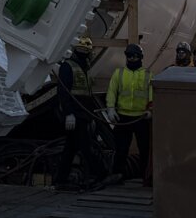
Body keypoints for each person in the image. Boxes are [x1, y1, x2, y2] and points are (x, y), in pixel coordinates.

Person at [54, 37, 100, 188]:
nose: (86, 54)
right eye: (84, 51)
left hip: (83, 114)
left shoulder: (83, 68)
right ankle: (99, 174)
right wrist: (69, 113)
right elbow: (63, 92)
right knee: (85, 146)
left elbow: (87, 95)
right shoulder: (68, 67)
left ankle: (61, 179)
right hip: (75, 115)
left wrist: (91, 116)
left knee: (70, 148)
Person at [105, 43, 154, 186]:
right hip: (123, 117)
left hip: (141, 118)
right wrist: (110, 108)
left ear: (140, 57)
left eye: (135, 56)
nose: (132, 59)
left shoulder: (148, 75)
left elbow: (152, 95)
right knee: (121, 149)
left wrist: (150, 111)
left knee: (144, 149)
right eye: (130, 56)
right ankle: (118, 175)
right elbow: (112, 91)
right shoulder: (118, 73)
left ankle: (146, 177)